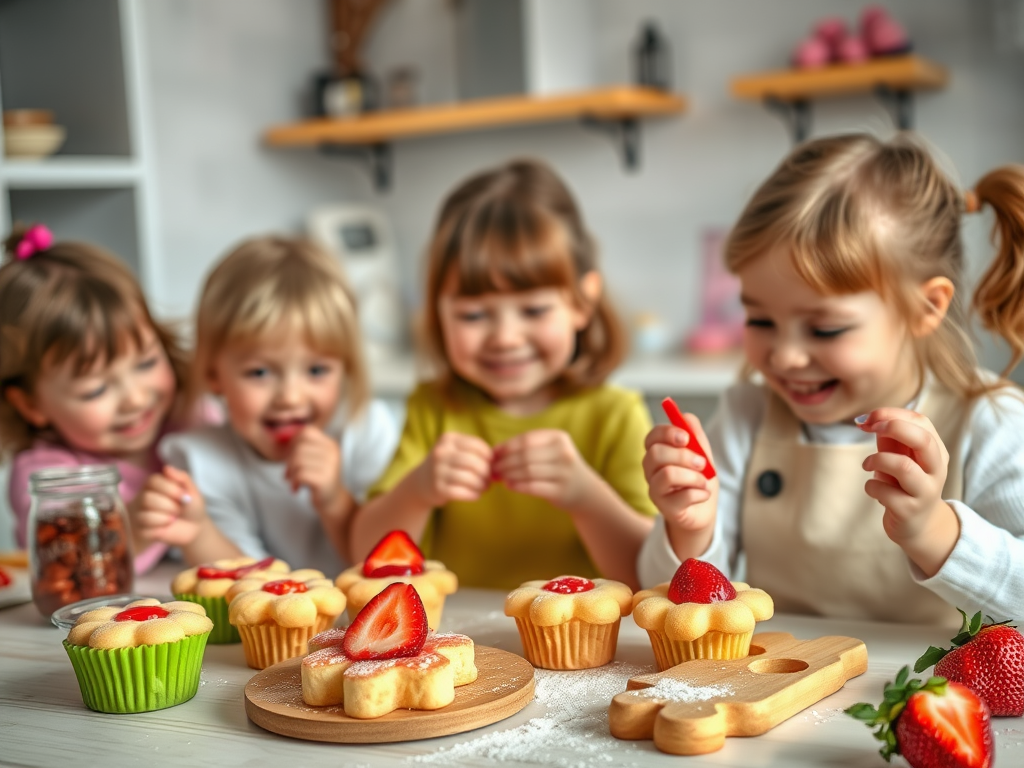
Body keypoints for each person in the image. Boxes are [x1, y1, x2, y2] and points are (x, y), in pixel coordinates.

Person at [640, 133, 1024, 625]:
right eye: (760, 321)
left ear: (925, 307)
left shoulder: (989, 420)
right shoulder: (746, 417)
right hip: (782, 691)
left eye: (825, 328)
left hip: (927, 694)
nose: (786, 355)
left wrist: (935, 530)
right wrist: (689, 530)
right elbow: (671, 604)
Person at [350, 159, 657, 591]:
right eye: (474, 314)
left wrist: (584, 496)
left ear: (583, 302)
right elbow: (364, 555)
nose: (506, 338)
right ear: (437, 312)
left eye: (533, 310)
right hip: (461, 646)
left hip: (589, 654)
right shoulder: (434, 408)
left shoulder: (615, 414)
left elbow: (649, 574)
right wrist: (417, 489)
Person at [129, 235, 398, 575]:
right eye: (259, 372)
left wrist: (334, 499)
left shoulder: (367, 431)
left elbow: (391, 564)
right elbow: (251, 589)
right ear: (214, 374)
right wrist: (198, 532)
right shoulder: (202, 462)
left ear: (345, 367)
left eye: (316, 370)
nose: (290, 396)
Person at [0, 224, 201, 573]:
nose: (136, 398)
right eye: (95, 389)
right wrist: (130, 532)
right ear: (31, 404)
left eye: (147, 362)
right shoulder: (48, 479)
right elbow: (63, 573)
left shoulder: (193, 419)